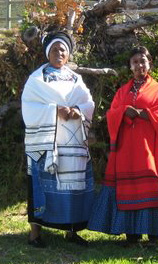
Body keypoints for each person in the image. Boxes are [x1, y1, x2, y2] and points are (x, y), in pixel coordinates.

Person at [88, 46, 158, 245]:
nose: (139, 65)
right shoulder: (122, 91)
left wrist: (148, 115)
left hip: (150, 148)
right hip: (126, 149)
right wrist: (124, 112)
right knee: (129, 187)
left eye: (142, 61)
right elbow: (111, 115)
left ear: (149, 64)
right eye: (135, 62)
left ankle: (154, 235)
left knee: (151, 185)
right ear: (130, 66)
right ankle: (132, 234)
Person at [21, 31, 95, 248]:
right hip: (46, 144)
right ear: (47, 53)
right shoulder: (37, 79)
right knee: (39, 184)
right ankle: (35, 234)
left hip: (71, 143)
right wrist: (55, 110)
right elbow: (29, 106)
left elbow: (88, 103)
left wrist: (78, 110)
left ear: (68, 54)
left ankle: (71, 231)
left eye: (63, 49)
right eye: (55, 49)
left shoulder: (76, 79)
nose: (59, 52)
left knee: (72, 187)